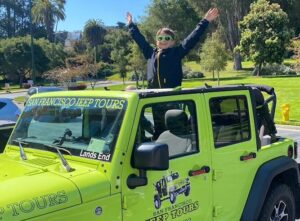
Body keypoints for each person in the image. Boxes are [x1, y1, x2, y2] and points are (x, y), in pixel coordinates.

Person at [127, 8, 219, 89]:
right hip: (153, 96)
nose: (163, 40)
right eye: (160, 38)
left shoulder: (176, 52)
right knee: (130, 88)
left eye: (167, 38)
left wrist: (205, 21)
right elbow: (140, 39)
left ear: (172, 42)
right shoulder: (150, 53)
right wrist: (131, 25)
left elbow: (192, 38)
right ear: (156, 41)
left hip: (171, 95)